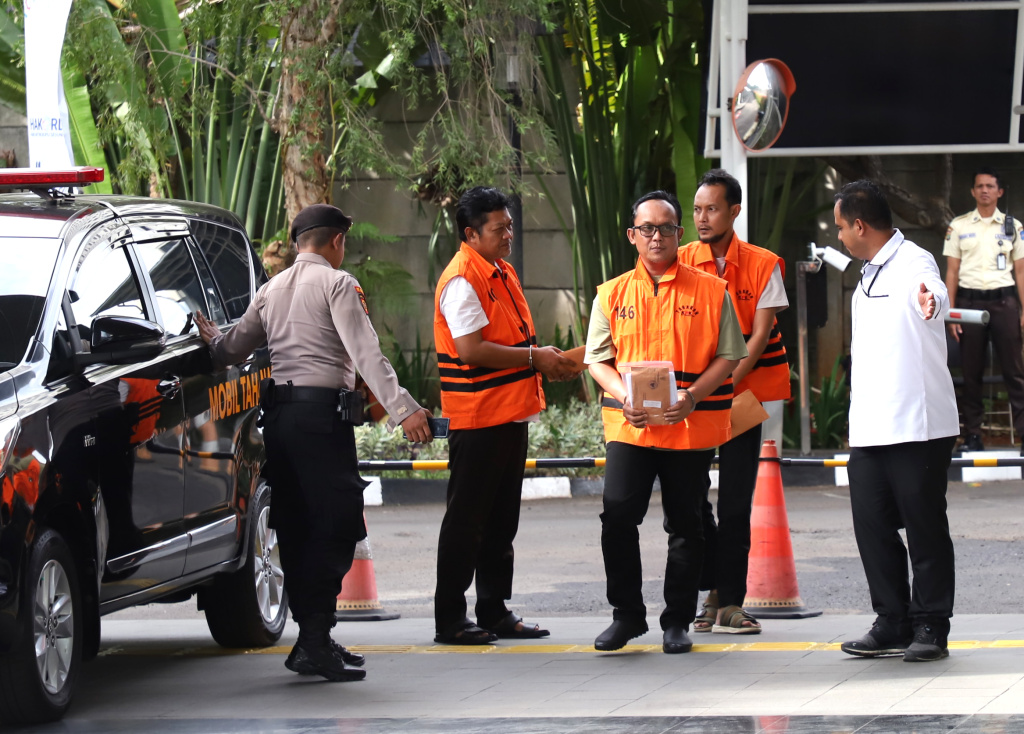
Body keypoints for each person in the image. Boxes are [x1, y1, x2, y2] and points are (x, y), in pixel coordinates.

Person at [195, 203, 433, 682]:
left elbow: (231, 349)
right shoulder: (338, 284)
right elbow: (368, 355)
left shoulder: (271, 289)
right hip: (323, 423)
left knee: (298, 526)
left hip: (282, 423)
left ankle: (313, 637)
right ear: (337, 241)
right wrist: (404, 409)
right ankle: (313, 641)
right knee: (335, 525)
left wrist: (213, 338)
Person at [585, 190, 746, 654]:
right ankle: (627, 616)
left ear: (679, 233)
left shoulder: (712, 290)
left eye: (666, 228)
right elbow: (597, 359)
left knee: (687, 524)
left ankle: (677, 621)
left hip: (688, 427)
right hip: (630, 427)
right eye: (647, 229)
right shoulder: (611, 294)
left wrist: (693, 396)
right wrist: (624, 397)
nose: (657, 237)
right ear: (632, 235)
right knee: (618, 515)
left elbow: (729, 355)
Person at [432, 186, 579, 645]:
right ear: (470, 234)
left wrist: (545, 361)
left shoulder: (501, 271)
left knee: (500, 522)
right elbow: (471, 349)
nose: (508, 234)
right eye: (499, 228)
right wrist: (537, 358)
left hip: (510, 413)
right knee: (467, 522)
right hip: (478, 418)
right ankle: (450, 618)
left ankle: (494, 610)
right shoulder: (462, 279)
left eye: (510, 225)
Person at [834, 180, 959, 662]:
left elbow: (931, 292)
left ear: (859, 225)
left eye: (841, 227)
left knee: (924, 527)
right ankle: (892, 621)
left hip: (916, 426)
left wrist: (933, 302)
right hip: (870, 428)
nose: (840, 235)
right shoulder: (866, 273)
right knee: (872, 527)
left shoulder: (914, 262)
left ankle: (931, 625)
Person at [678, 169, 790, 636]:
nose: (702, 218)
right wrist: (703, 392)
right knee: (690, 499)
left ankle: (731, 602)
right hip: (694, 398)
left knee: (737, 503)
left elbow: (759, 337)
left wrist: (722, 386)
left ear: (734, 211)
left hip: (740, 397)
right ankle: (712, 591)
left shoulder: (765, 264)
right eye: (697, 209)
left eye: (712, 209)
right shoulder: (680, 259)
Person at [944, 168, 1024, 452]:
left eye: (990, 186)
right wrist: (951, 313)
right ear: (972, 191)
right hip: (970, 304)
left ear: (999, 192)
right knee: (971, 372)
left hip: (1004, 302)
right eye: (980, 186)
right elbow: (951, 272)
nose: (985, 190)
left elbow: (1021, 271)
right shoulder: (959, 226)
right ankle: (973, 436)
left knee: (1015, 372)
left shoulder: (1013, 226)